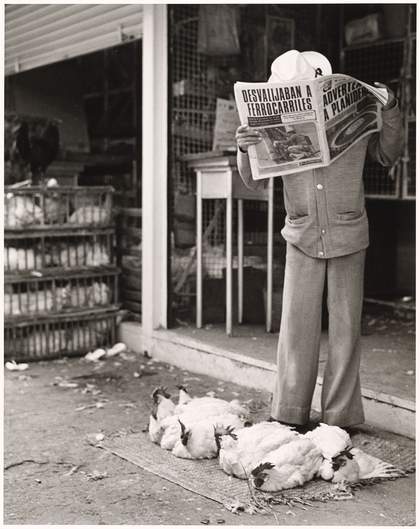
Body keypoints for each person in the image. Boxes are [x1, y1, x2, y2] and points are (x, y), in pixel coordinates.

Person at [235, 50, 404, 432]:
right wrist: (244, 148)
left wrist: (390, 110)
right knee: (296, 328)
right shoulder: (270, 124)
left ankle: (341, 417)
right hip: (301, 233)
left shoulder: (356, 114)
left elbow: (387, 155)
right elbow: (253, 180)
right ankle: (289, 413)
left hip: (348, 230)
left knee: (346, 328)